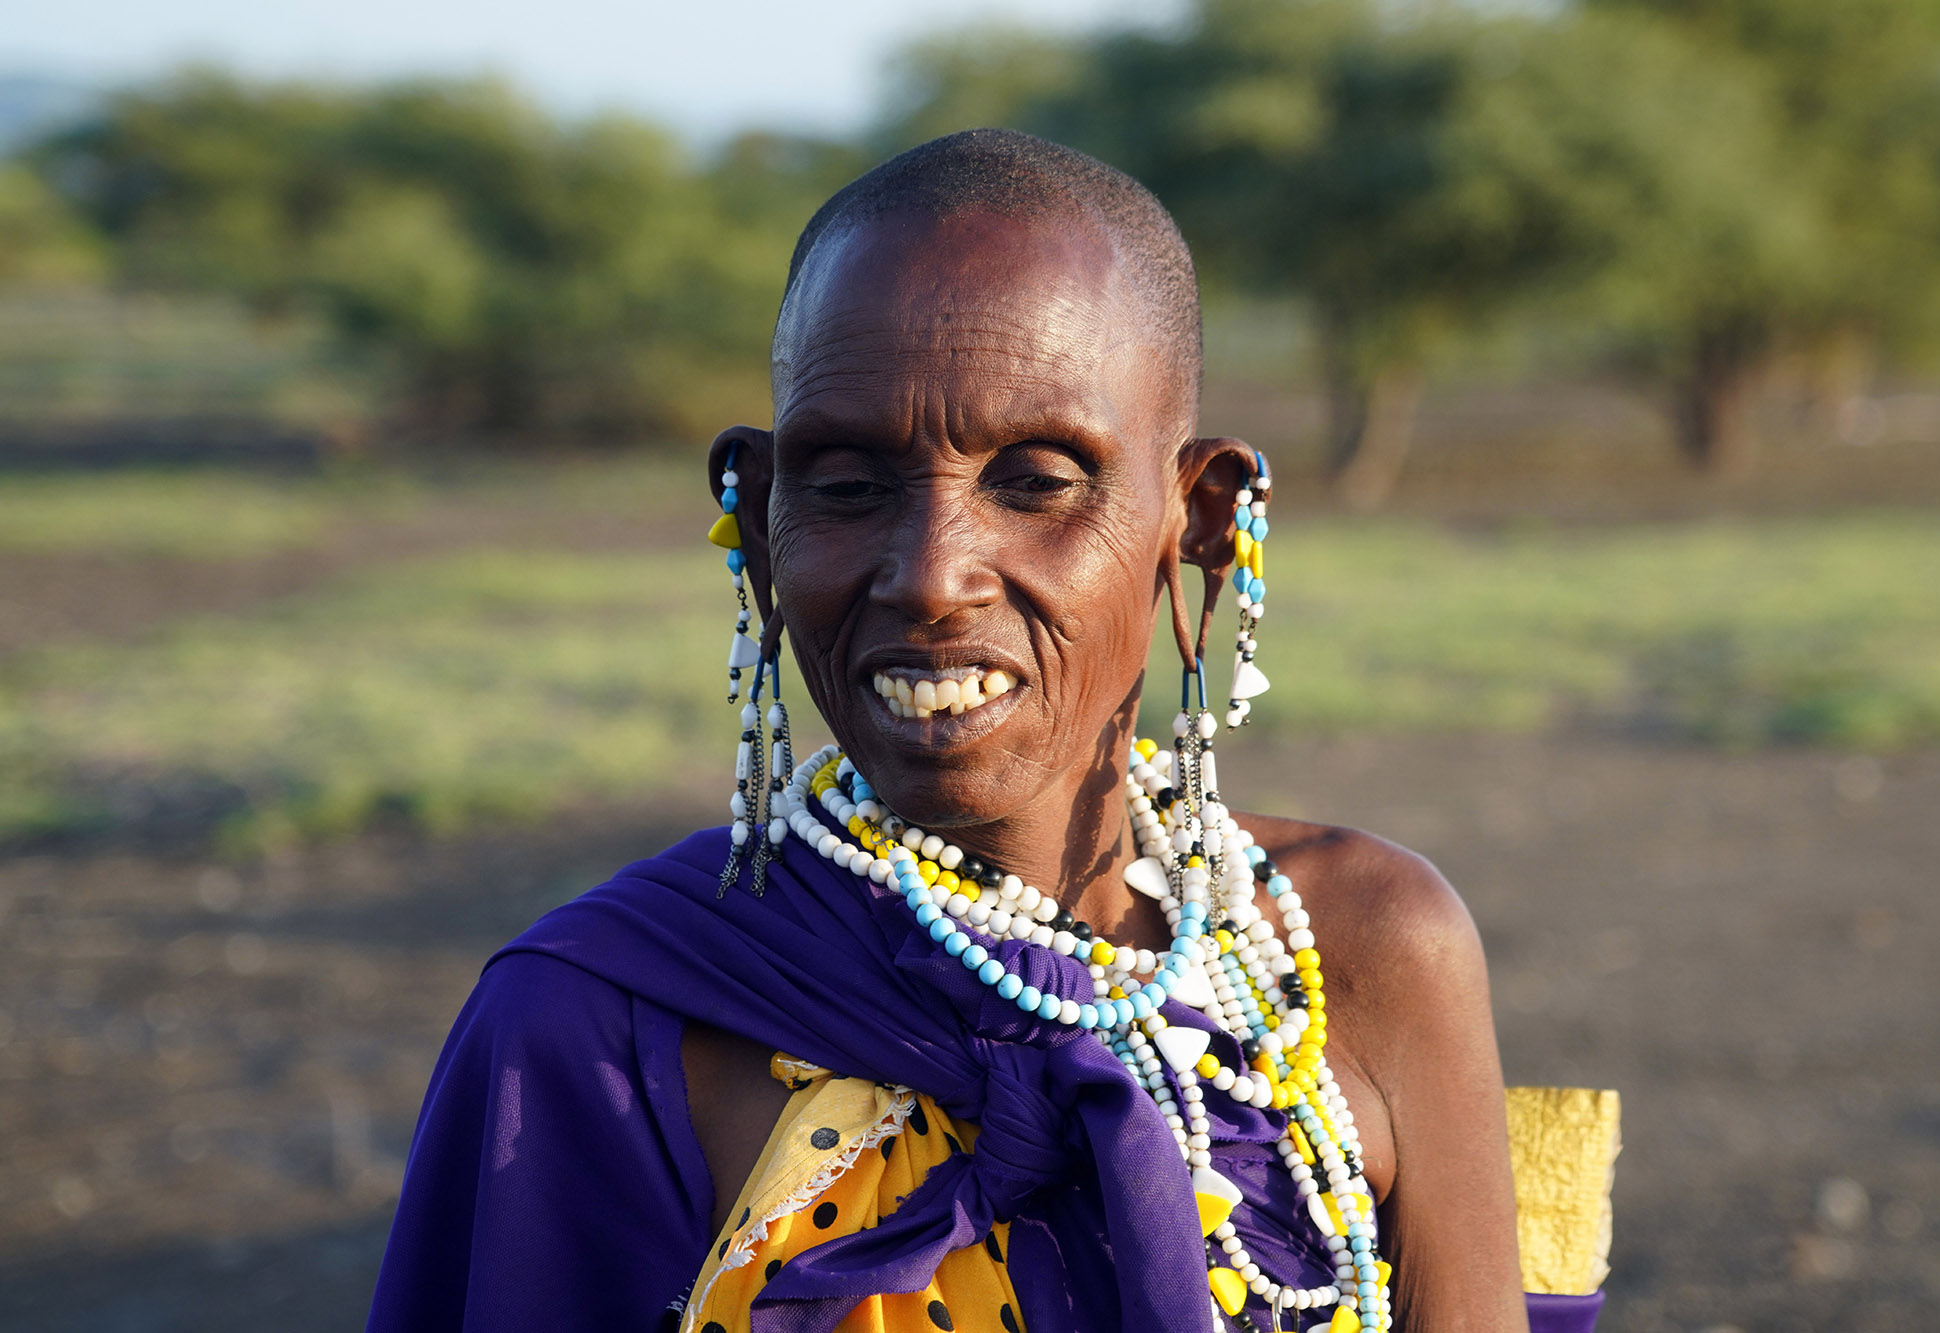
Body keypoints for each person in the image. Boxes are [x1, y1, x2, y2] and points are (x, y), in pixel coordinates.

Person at [367, 129, 1559, 1333]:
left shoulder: (1362, 947)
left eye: (1035, 480)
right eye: (847, 486)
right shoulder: (599, 1021)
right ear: (762, 521)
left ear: (1198, 519)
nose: (931, 576)